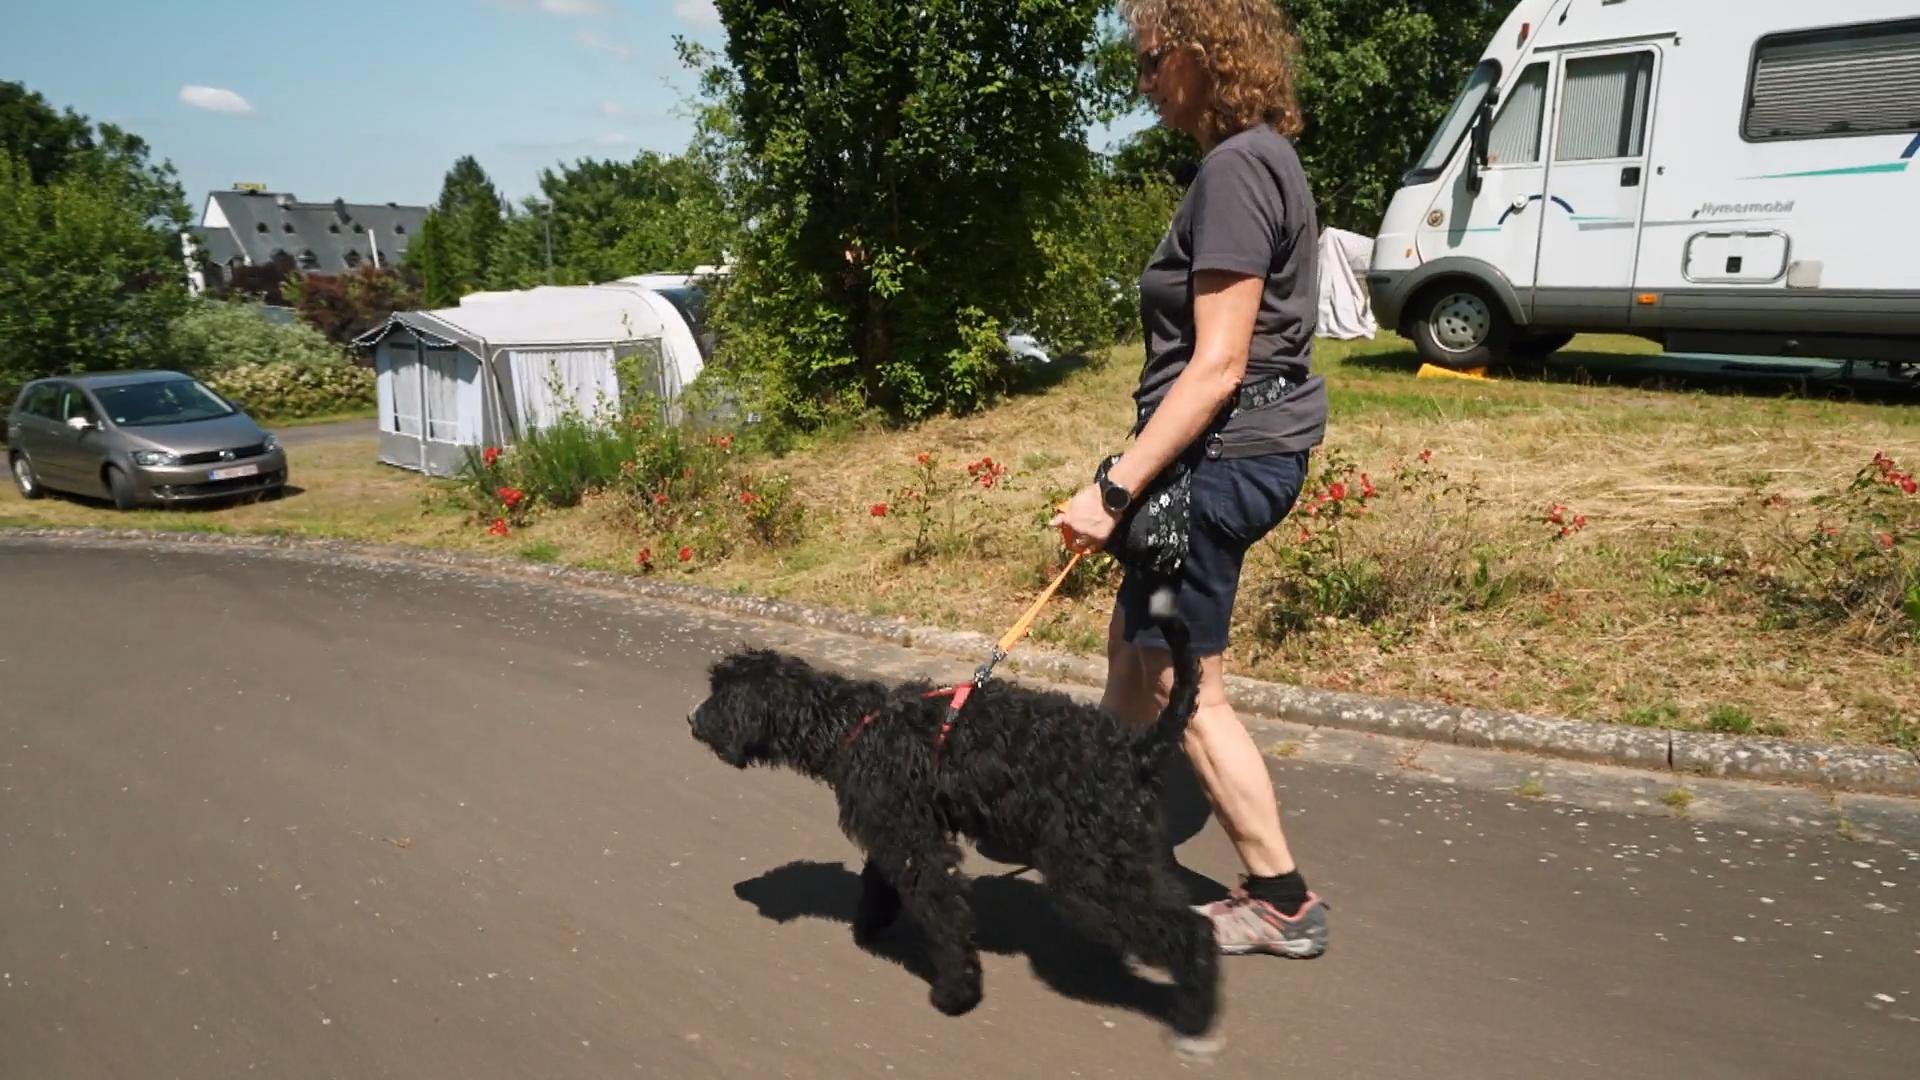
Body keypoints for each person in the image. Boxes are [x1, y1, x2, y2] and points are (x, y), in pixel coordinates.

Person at [1051, 0, 1330, 959]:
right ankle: (1103, 834)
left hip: (1216, 464)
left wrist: (1113, 490)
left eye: (1150, 60)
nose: (1141, 81)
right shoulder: (1253, 163)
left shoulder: (1236, 169)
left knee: (1182, 682)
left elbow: (1217, 365)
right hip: (1215, 459)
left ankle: (1282, 897)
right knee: (1134, 648)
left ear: (1205, 55)